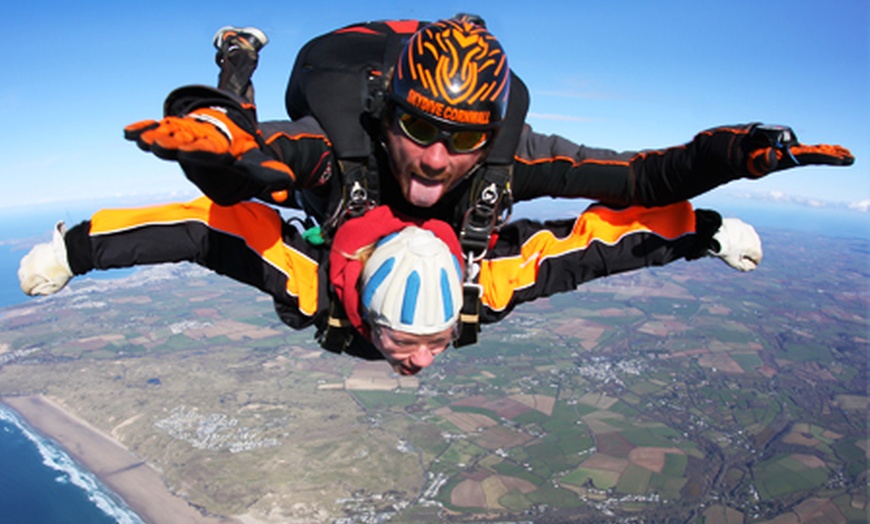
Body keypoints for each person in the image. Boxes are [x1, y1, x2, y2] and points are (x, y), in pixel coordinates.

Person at [124, 15, 854, 247]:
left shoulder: (511, 160)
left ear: (494, 133)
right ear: (386, 112)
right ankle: (238, 58)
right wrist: (215, 144)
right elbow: (254, 163)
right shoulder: (339, 145)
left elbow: (638, 177)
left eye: (465, 139)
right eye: (418, 127)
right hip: (335, 59)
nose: (438, 159)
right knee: (237, 131)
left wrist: (735, 155)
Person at [18, 197, 761, 376]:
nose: (423, 362)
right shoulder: (307, 279)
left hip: (428, 230)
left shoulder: (486, 280)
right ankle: (233, 69)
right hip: (343, 225)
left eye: (435, 343)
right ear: (366, 321)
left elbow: (596, 243)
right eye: (405, 345)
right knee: (244, 166)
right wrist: (74, 248)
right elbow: (205, 229)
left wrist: (702, 229)